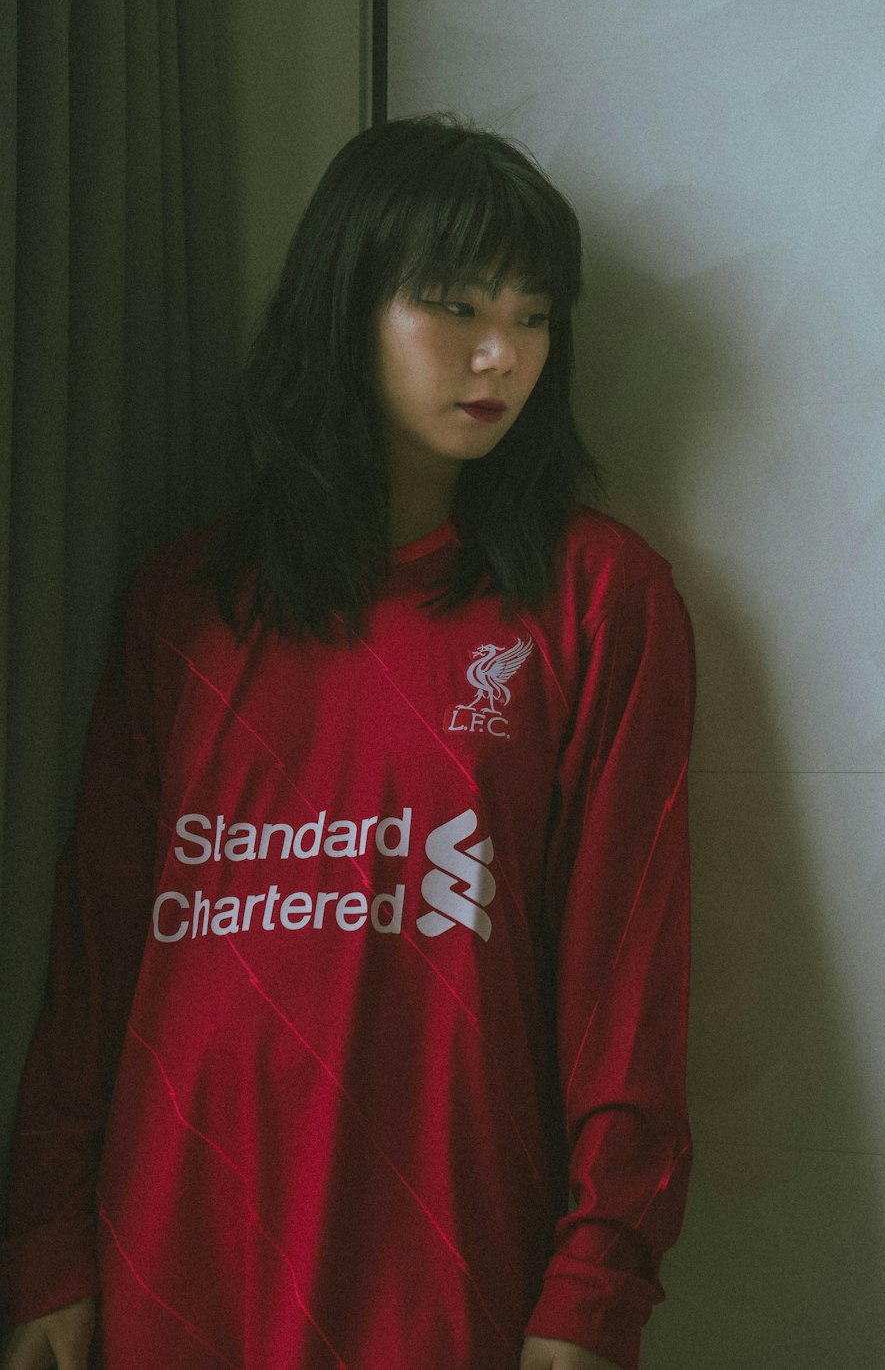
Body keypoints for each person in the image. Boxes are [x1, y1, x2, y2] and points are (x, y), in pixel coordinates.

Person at [0, 114, 695, 1370]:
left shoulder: (596, 602)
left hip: (442, 1265)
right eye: (456, 306)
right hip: (168, 1251)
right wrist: (46, 1240)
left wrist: (596, 1286)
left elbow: (625, 980)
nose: (503, 354)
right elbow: (97, 956)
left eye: (535, 315)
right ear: (344, 308)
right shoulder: (184, 608)